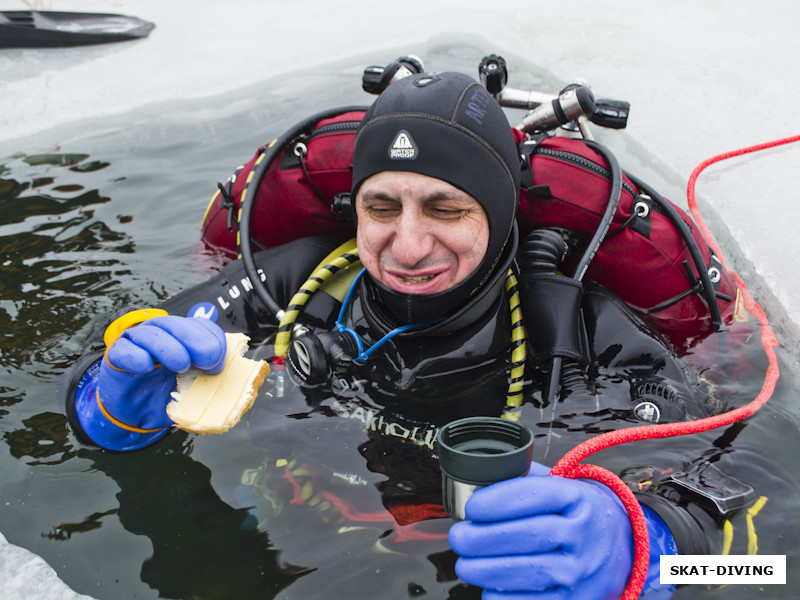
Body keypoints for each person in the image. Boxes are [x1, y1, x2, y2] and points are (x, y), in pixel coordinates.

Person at [61, 71, 787, 599]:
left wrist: (649, 550)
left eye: (446, 209)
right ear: (356, 209)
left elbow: (766, 551)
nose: (407, 247)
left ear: (501, 215)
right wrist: (112, 409)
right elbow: (96, 376)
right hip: (292, 548)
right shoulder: (292, 286)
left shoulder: (585, 336)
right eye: (383, 206)